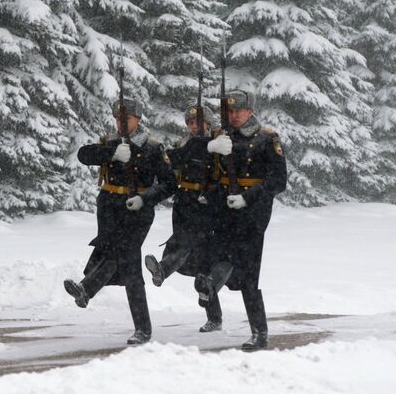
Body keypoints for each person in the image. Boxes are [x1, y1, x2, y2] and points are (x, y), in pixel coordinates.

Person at [64, 98, 176, 345]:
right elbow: (84, 155)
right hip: (110, 210)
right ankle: (142, 329)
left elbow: (170, 184)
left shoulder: (153, 147)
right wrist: (111, 153)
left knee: (123, 253)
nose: (121, 123)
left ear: (138, 119)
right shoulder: (110, 143)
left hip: (137, 212)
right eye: (118, 119)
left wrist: (145, 198)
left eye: (126, 119)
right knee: (127, 265)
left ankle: (87, 289)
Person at [200, 89, 287, 351]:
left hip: (253, 213)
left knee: (249, 274)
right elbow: (208, 171)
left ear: (250, 110)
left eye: (238, 110)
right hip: (223, 209)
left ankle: (259, 332)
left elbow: (278, 181)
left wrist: (248, 197)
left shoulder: (266, 139)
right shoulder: (221, 137)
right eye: (229, 111)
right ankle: (210, 291)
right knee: (214, 255)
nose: (234, 115)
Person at [144, 103, 230, 333]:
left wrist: (209, 150)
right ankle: (215, 317)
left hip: (208, 204)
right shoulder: (185, 145)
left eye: (198, 123)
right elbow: (172, 160)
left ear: (209, 124)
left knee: (190, 245)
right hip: (185, 204)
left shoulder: (221, 143)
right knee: (200, 260)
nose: (194, 126)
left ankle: (163, 269)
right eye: (190, 123)